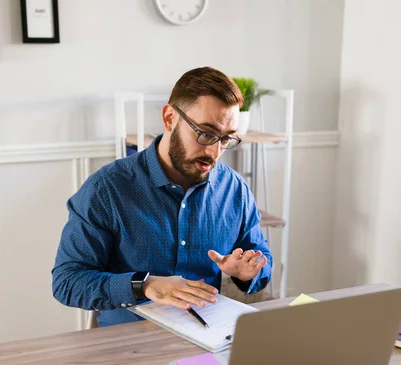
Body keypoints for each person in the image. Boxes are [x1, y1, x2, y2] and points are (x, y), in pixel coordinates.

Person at [52, 66, 272, 327]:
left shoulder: (234, 189)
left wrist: (247, 272)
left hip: (207, 341)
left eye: (226, 139)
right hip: (128, 345)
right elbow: (67, 282)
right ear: (169, 118)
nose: (214, 152)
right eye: (205, 134)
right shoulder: (107, 188)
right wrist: (144, 285)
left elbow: (261, 259)